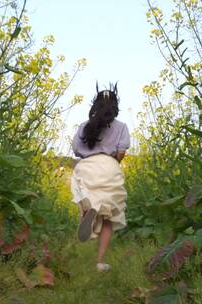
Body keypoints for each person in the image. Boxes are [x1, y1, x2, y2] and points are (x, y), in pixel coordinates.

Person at [70, 83, 130, 272]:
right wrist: (110, 159)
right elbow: (121, 153)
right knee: (109, 218)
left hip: (86, 167)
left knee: (88, 201)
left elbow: (77, 151)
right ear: (115, 106)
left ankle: (88, 214)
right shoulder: (121, 127)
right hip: (109, 167)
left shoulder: (84, 126)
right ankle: (100, 262)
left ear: (94, 105)